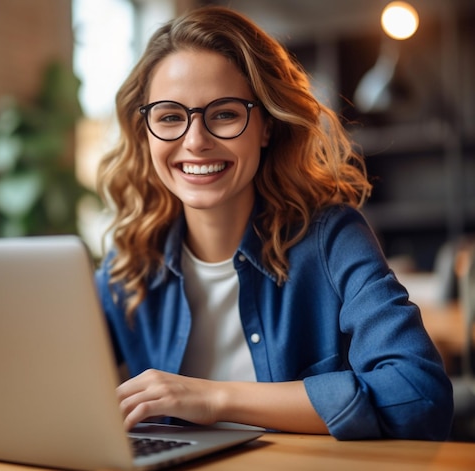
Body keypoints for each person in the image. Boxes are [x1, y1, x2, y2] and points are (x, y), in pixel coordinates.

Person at [94, 5, 453, 441]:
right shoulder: (129, 262)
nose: (195, 141)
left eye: (224, 113)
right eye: (170, 116)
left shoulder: (331, 238)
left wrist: (214, 399)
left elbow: (419, 395)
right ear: (145, 131)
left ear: (265, 125)